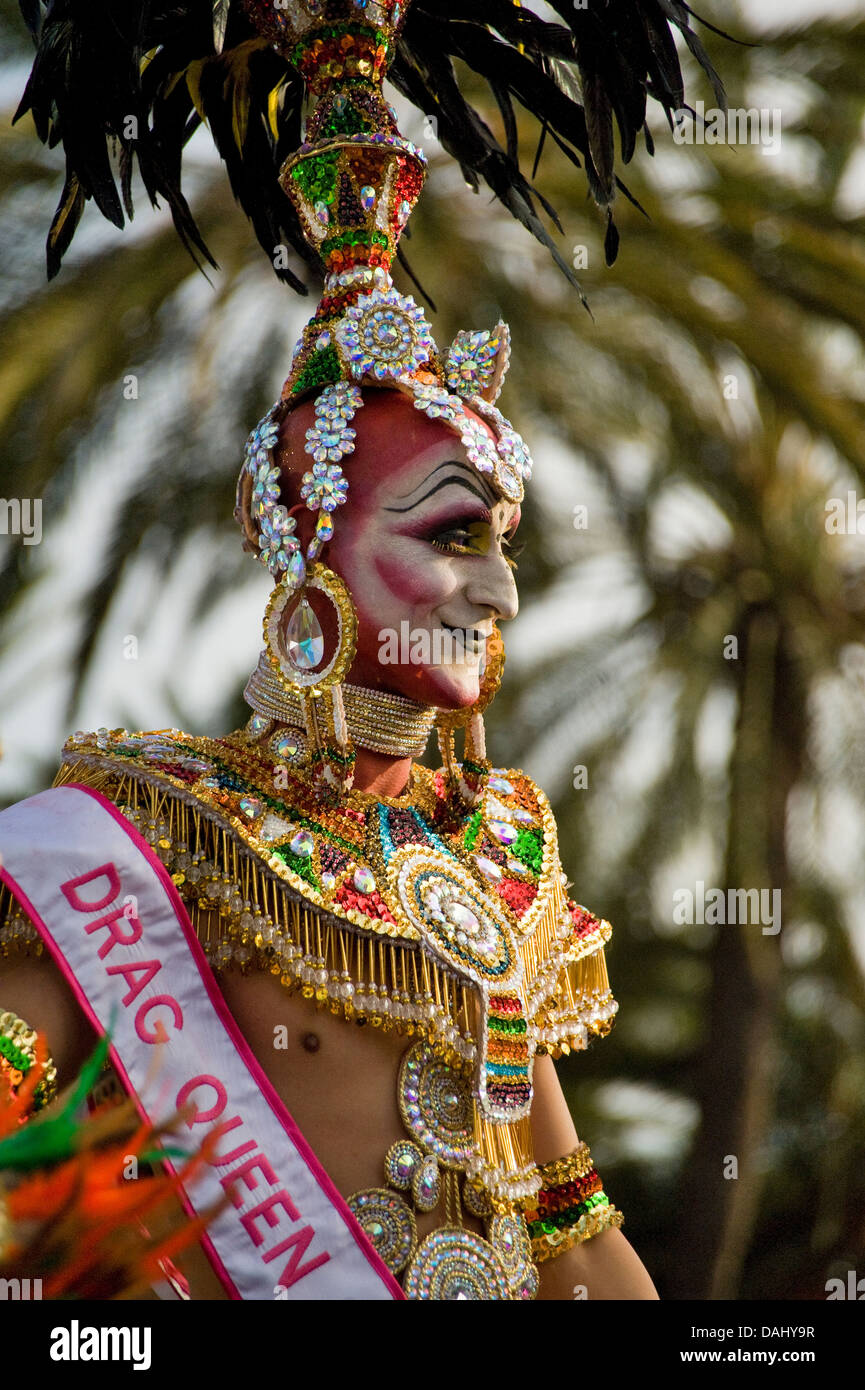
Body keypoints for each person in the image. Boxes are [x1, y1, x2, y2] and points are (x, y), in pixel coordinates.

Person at [1, 0, 722, 1300]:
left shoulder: (493, 849)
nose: (496, 588)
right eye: (452, 533)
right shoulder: (147, 834)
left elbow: (569, 1227)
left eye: (502, 539)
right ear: (310, 556)